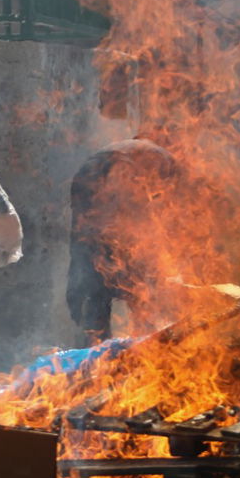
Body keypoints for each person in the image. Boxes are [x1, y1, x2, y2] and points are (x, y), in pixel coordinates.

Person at [66, 138, 178, 345]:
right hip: (103, 204)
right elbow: (136, 214)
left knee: (99, 282)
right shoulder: (152, 165)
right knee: (111, 284)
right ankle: (131, 346)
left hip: (98, 204)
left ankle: (100, 346)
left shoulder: (145, 160)